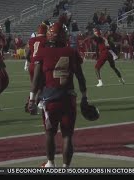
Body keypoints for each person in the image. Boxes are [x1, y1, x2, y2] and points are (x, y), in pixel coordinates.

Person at [28, 22, 96, 167]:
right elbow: (81, 77)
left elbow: (37, 78)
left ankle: (51, 163)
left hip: (50, 100)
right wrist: (84, 98)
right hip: (68, 98)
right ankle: (66, 167)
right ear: (63, 36)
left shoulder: (43, 51)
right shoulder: (71, 52)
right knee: (67, 135)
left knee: (50, 133)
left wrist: (32, 99)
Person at [24, 23, 48, 114]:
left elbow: (27, 54)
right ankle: (33, 105)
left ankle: (30, 103)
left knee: (34, 86)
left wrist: (30, 61)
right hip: (40, 65)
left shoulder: (32, 40)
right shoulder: (46, 40)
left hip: (32, 65)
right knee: (41, 87)